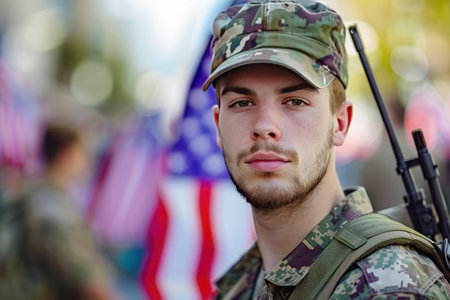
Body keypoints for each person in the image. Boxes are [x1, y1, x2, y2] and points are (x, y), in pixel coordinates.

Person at [201, 0, 450, 299]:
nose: (264, 126)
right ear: (218, 125)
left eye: (295, 101)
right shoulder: (245, 283)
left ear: (340, 124)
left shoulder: (388, 287)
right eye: (242, 103)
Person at [0, 124, 120, 300]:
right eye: (82, 153)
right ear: (66, 155)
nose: (87, 161)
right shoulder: (50, 206)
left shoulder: (35, 192)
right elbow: (84, 278)